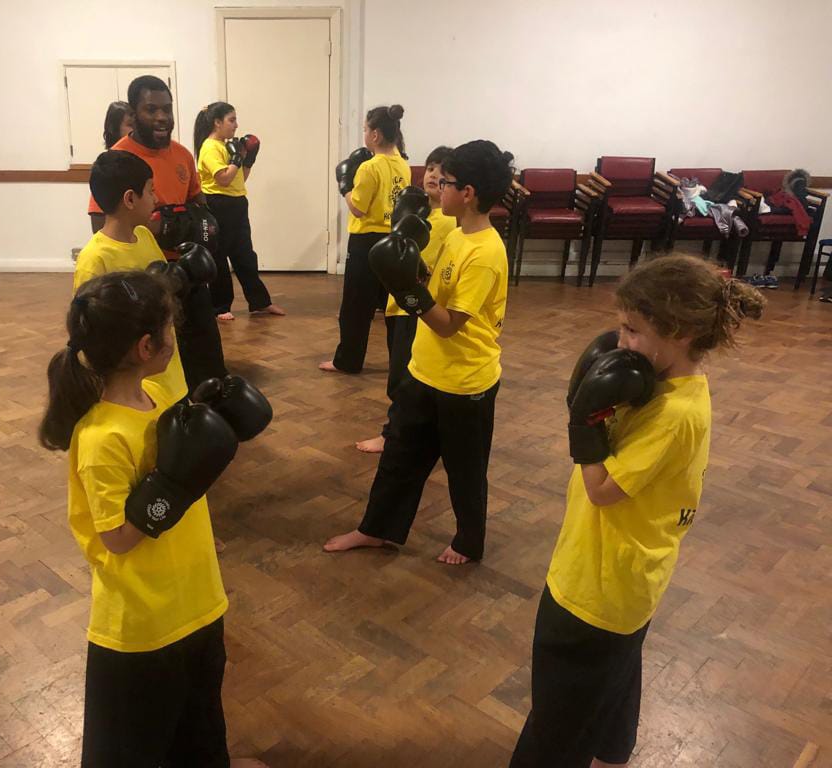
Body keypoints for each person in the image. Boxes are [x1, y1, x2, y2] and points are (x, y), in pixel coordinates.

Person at [509, 255, 766, 768]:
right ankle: (613, 748)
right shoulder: (664, 387)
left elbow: (602, 488)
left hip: (598, 585)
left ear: (683, 332)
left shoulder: (673, 414)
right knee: (614, 670)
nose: (620, 342)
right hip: (629, 577)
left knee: (559, 718)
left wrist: (583, 421)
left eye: (632, 329)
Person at [38, 270, 268, 768]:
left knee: (201, 729)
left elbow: (187, 464)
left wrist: (212, 414)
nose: (176, 337)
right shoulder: (101, 438)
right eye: (170, 328)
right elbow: (118, 538)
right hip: (141, 627)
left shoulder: (159, 400)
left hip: (198, 602)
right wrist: (172, 485)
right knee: (131, 751)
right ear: (147, 347)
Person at [324, 140, 514, 565]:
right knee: (398, 459)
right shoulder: (459, 235)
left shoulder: (485, 252)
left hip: (465, 382)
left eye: (444, 182)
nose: (436, 188)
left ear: (467, 193)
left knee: (465, 471)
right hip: (424, 370)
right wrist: (411, 271)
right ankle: (375, 530)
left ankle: (469, 540)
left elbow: (448, 324)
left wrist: (406, 290)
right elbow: (436, 288)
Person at [87, 75, 227, 392]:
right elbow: (100, 221)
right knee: (154, 361)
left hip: (189, 270)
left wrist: (191, 221)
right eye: (151, 109)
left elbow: (198, 203)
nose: (162, 117)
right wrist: (150, 235)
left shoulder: (182, 155)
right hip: (146, 279)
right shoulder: (117, 159)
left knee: (203, 353)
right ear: (134, 114)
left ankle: (209, 412)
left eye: (167, 108)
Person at [356, 145, 455, 454]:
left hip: (418, 307)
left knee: (403, 376)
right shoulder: (414, 212)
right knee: (402, 372)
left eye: (442, 172)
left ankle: (392, 435)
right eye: (429, 169)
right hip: (396, 304)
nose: (433, 175)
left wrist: (419, 274)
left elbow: (437, 268)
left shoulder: (449, 223)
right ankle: (419, 431)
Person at [319, 104, 411, 374]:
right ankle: (400, 363)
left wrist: (344, 185)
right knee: (392, 306)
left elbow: (358, 207)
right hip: (394, 239)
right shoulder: (403, 165)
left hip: (366, 241)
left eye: (364, 129)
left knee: (356, 307)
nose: (364, 134)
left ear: (375, 135)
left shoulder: (369, 167)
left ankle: (347, 361)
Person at [194, 101, 285, 321]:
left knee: (245, 255)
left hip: (237, 204)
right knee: (219, 256)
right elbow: (223, 179)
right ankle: (220, 306)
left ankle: (259, 302)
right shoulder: (210, 147)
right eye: (231, 120)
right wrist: (236, 158)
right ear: (217, 122)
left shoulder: (226, 146)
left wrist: (248, 159)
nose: (236, 125)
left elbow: (239, 178)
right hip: (217, 205)